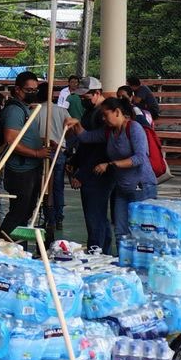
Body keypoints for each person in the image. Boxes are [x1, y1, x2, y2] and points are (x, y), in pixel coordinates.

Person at [93, 98, 156, 241]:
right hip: (122, 188)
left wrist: (110, 164)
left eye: (105, 114)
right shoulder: (109, 132)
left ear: (117, 112)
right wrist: (76, 125)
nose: (103, 119)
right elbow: (87, 137)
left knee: (142, 232)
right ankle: (123, 253)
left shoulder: (134, 128)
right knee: (120, 231)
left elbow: (140, 158)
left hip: (142, 187)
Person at [0, 71, 48, 237]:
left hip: (30, 169)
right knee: (19, 212)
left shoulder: (25, 109)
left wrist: (42, 142)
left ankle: (18, 246)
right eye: (29, 90)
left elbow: (23, 136)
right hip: (21, 171)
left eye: (35, 90)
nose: (33, 93)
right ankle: (3, 242)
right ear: (18, 90)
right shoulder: (15, 110)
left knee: (26, 212)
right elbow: (11, 140)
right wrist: (36, 153)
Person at [69, 78, 114, 252]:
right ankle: (103, 250)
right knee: (98, 216)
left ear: (97, 93)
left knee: (95, 216)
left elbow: (99, 150)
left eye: (85, 97)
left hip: (96, 172)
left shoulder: (101, 116)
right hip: (88, 167)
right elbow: (85, 144)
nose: (82, 100)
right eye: (80, 97)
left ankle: (97, 251)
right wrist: (74, 160)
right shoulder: (90, 112)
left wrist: (83, 174)